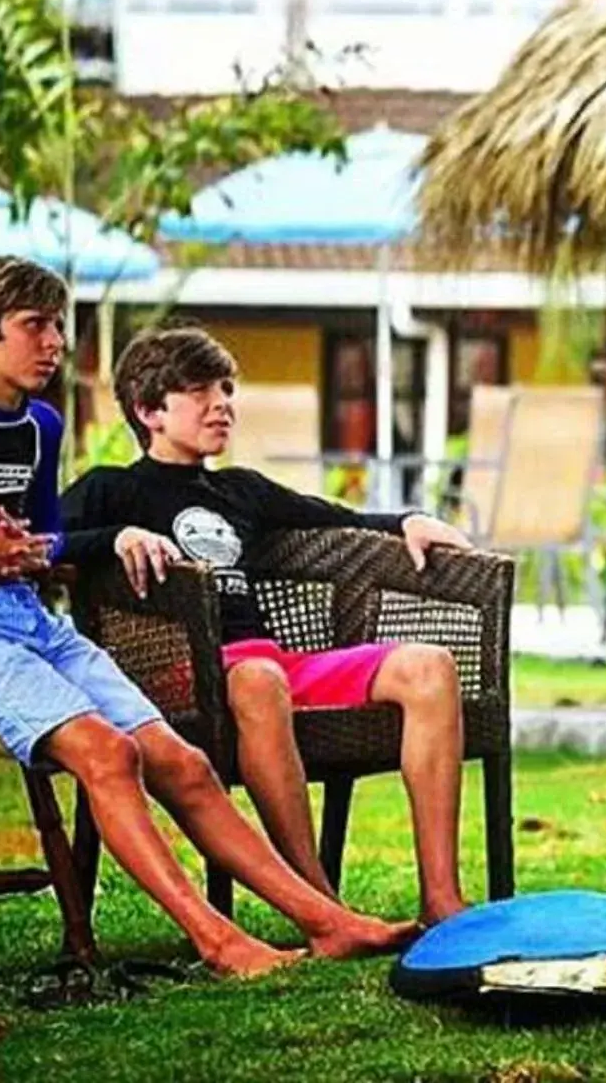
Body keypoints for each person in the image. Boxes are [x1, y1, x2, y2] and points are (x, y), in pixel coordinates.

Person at [0, 257, 413, 974]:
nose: (56, 343)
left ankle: (328, 923)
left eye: (58, 325)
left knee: (184, 764)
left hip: (34, 623)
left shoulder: (40, 426)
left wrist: (76, 544)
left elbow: (46, 543)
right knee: (110, 753)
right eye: (34, 326)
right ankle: (219, 941)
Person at [62, 324, 478, 928]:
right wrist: (115, 536)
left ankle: (442, 899)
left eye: (226, 389)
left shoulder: (241, 489)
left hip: (268, 663)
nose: (222, 403)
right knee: (258, 679)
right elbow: (38, 542)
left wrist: (409, 520)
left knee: (428, 667)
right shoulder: (112, 489)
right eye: (200, 390)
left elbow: (342, 519)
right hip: (183, 675)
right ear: (148, 409)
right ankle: (322, 907)